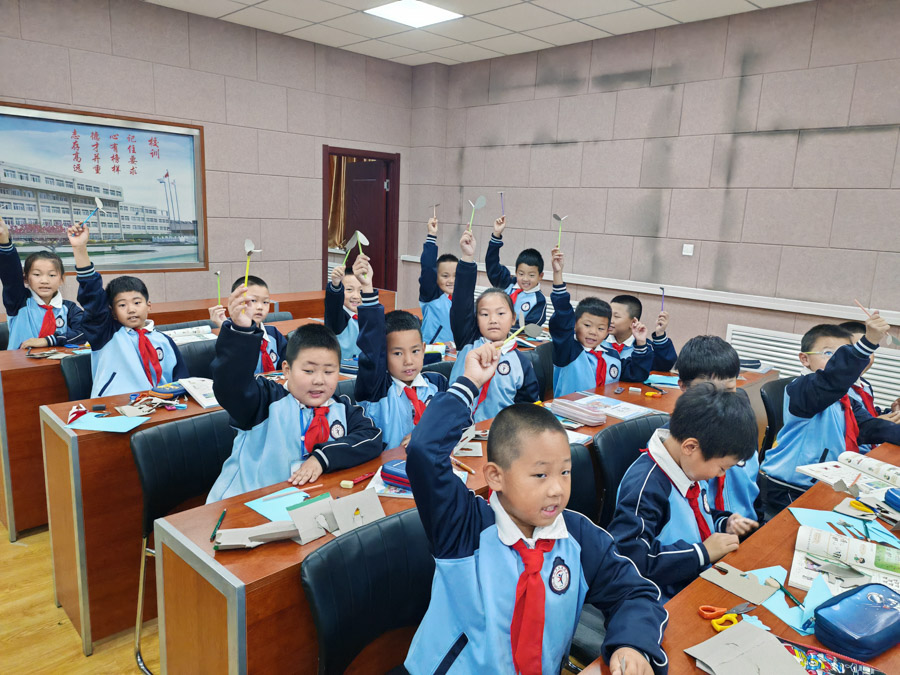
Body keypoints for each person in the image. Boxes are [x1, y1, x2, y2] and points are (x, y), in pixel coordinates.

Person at [404, 341, 669, 675]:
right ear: (495, 477)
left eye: (565, 472)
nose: (557, 489)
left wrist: (631, 643)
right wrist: (469, 384)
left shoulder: (578, 536)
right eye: (540, 475)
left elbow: (634, 593)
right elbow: (424, 452)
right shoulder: (463, 526)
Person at [207, 284, 382, 502]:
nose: (319, 380)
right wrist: (241, 331)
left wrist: (322, 457)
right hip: (244, 506)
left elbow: (372, 437)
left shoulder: (341, 407)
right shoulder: (264, 401)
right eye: (308, 371)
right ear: (287, 369)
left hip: (307, 505)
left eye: (329, 371)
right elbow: (232, 386)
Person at [608, 384, 760, 601]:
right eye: (722, 468)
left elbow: (696, 516)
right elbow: (631, 558)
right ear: (690, 447)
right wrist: (701, 553)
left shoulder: (689, 467)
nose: (720, 475)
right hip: (658, 598)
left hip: (693, 579)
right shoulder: (647, 486)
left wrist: (723, 523)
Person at [760, 318, 900, 513]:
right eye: (828, 353)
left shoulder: (844, 398)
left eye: (841, 354)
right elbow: (830, 381)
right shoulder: (801, 389)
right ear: (805, 359)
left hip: (825, 481)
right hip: (788, 488)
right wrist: (867, 343)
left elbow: (869, 427)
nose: (835, 360)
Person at [67, 220, 186, 398]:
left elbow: (181, 380)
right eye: (122, 305)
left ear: (149, 305)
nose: (131, 309)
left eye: (137, 303)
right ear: (112, 312)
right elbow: (92, 295)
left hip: (162, 406)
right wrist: (79, 249)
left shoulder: (164, 341)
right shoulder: (105, 334)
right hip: (116, 405)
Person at [353, 254, 447, 449]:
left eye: (415, 351)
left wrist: (427, 434)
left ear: (423, 349)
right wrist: (367, 289)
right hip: (387, 466)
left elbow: (454, 420)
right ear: (383, 354)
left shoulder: (437, 384)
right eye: (397, 353)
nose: (408, 361)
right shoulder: (376, 387)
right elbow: (372, 347)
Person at [449, 230, 541, 421]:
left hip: (500, 434)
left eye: (500, 313)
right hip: (457, 429)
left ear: (514, 319)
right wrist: (467, 258)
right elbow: (461, 303)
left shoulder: (522, 363)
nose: (493, 320)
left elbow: (528, 410)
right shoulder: (468, 341)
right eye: (484, 314)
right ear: (476, 318)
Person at [675, 335, 760, 521]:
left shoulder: (742, 425)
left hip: (747, 525)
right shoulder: (677, 445)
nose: (720, 401)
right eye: (708, 391)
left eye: (728, 390)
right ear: (683, 387)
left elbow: (753, 485)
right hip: (706, 534)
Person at [547, 247, 652, 396]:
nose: (593, 332)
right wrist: (558, 275)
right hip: (568, 409)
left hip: (604, 408)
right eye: (587, 325)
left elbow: (637, 374)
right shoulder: (568, 350)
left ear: (608, 330)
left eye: (601, 328)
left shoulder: (612, 355)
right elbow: (563, 315)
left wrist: (641, 343)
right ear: (574, 324)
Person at [0, 216, 83, 349]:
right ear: (26, 278)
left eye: (52, 275)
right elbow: (10, 276)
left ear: (62, 279)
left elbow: (86, 332)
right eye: (37, 274)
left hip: (57, 362)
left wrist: (49, 340)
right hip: (19, 362)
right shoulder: (19, 302)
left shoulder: (70, 309)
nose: (44, 281)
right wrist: (4, 241)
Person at [209, 275, 286, 374]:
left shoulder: (273, 333)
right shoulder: (227, 338)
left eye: (265, 302)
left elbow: (287, 364)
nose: (260, 307)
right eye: (253, 300)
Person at [485, 215, 546, 327]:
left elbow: (529, 327)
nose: (525, 279)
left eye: (531, 275)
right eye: (521, 274)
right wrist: (496, 236)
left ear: (540, 276)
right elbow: (492, 265)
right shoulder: (507, 283)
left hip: (514, 336)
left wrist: (505, 329)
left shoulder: (539, 300)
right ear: (516, 272)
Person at [839, 320, 900, 420]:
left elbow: (869, 413)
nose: (861, 359)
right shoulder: (835, 391)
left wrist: (893, 413)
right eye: (856, 351)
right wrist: (877, 424)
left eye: (868, 351)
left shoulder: (865, 386)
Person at [606, 294, 677, 373]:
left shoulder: (644, 347)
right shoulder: (599, 341)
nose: (610, 320)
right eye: (609, 315)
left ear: (633, 322)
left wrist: (660, 334)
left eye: (616, 316)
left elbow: (664, 366)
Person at [418, 216, 456, 345]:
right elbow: (428, 268)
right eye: (445, 276)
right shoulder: (431, 296)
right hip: (431, 350)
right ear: (436, 277)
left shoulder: (461, 300)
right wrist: (431, 236)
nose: (451, 280)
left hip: (454, 352)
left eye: (455, 276)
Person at [324, 263, 362, 363]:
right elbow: (333, 304)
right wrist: (335, 285)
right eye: (349, 289)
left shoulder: (367, 315)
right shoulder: (338, 317)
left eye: (361, 290)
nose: (356, 296)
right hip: (342, 370)